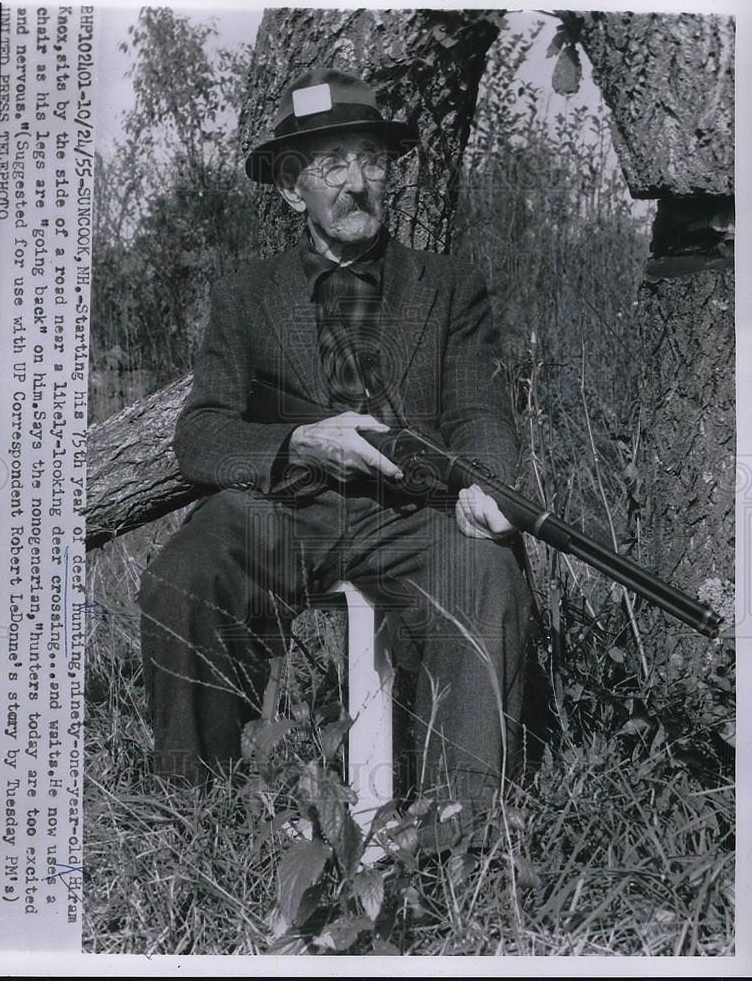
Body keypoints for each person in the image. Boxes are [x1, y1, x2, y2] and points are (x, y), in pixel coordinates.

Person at [140, 69, 534, 839]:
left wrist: (487, 486)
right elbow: (202, 433)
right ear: (293, 188)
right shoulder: (247, 296)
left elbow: (478, 411)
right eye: (333, 165)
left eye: (373, 160)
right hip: (286, 509)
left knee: (488, 571)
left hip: (415, 515)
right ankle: (194, 819)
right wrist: (298, 442)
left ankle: (465, 840)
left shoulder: (448, 286)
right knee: (183, 575)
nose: (358, 185)